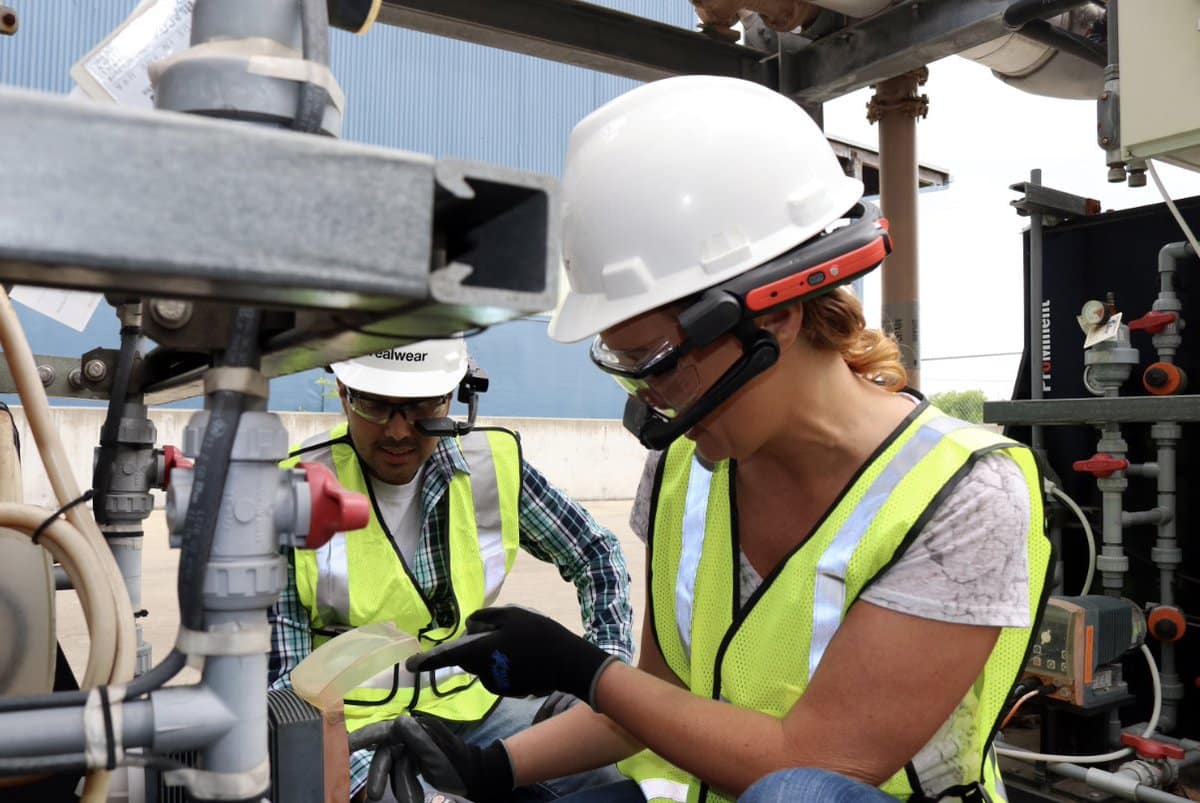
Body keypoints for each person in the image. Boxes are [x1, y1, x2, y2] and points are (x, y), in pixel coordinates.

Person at [357, 76, 1053, 803]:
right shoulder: (686, 468)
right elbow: (658, 701)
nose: (652, 399)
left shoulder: (962, 493)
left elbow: (814, 761)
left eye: (654, 362)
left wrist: (584, 667)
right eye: (624, 367)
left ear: (774, 315)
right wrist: (488, 768)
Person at [267, 338, 635, 802]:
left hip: (477, 708)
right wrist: (364, 782)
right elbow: (286, 691)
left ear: (455, 394)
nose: (399, 432)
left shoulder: (488, 466)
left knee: (600, 775)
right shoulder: (292, 492)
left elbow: (595, 552)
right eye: (377, 406)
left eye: (422, 407)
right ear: (344, 393)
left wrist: (603, 677)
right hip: (354, 731)